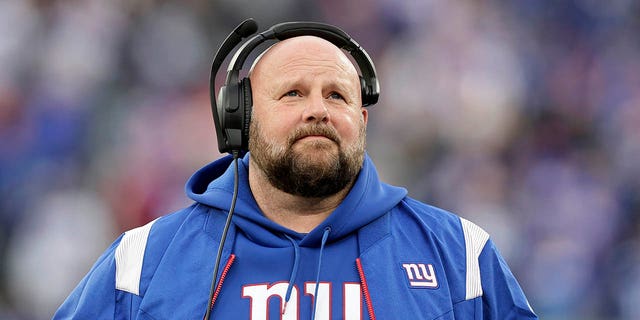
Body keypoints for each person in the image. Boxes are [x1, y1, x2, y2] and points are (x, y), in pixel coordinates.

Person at [53, 21, 537, 319]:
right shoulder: (141, 264)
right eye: (292, 94)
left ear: (362, 120)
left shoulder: (460, 257)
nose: (318, 110)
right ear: (240, 120)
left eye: (337, 95)